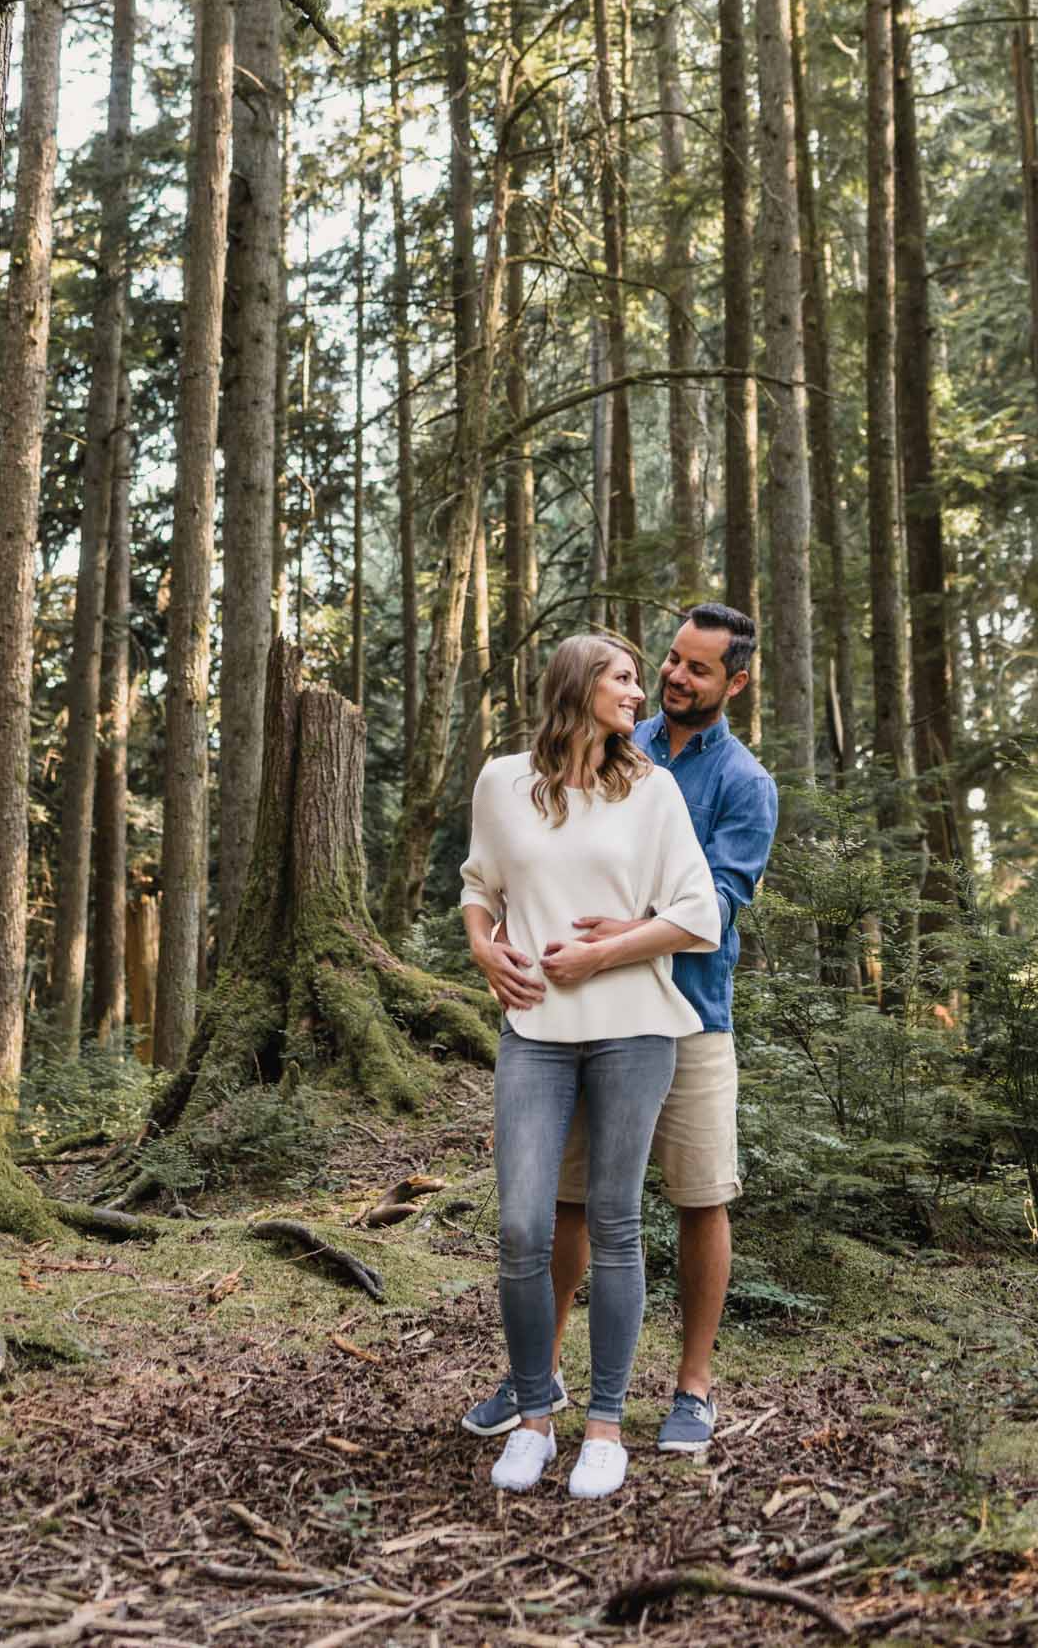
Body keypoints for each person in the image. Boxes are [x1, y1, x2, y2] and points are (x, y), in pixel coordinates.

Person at [463, 605, 777, 1457]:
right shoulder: (607, 753)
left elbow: (709, 906)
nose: (671, 679)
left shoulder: (737, 783)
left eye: (694, 670)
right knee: (558, 1203)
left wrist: (607, 948)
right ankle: (542, 1374)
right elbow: (498, 873)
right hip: (562, 1019)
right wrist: (495, 946)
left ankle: (692, 1388)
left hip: (687, 1014)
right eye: (665, 662)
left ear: (734, 684)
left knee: (696, 1194)